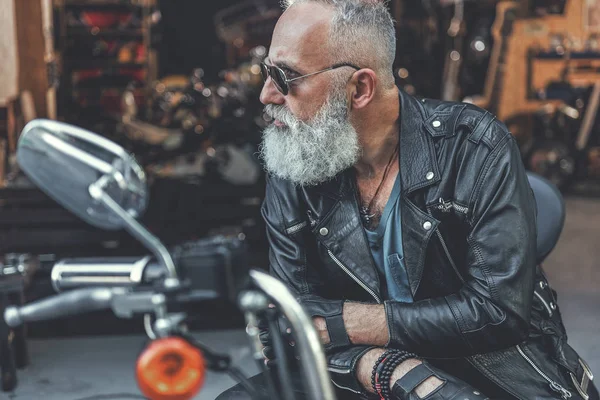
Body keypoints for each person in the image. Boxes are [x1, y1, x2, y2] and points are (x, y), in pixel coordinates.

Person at [218, 0, 598, 399]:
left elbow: (497, 313)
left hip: (488, 366)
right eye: (266, 73)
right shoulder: (296, 159)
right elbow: (289, 324)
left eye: (285, 77)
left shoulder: (475, 147)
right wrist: (386, 366)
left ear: (360, 88)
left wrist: (348, 320)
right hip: (358, 370)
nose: (266, 95)